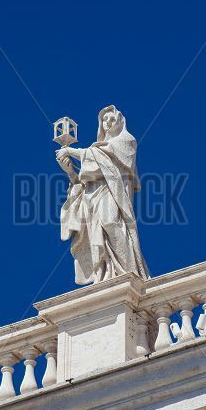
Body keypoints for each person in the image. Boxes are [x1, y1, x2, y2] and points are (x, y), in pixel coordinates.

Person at [55, 105, 150, 285]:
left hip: (113, 195)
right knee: (96, 233)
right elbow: (83, 184)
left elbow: (103, 159)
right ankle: (104, 274)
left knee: (110, 223)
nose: (108, 122)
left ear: (120, 121)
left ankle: (130, 271)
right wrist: (70, 172)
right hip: (93, 198)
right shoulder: (96, 148)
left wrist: (71, 151)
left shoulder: (126, 141)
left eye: (112, 119)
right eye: (104, 119)